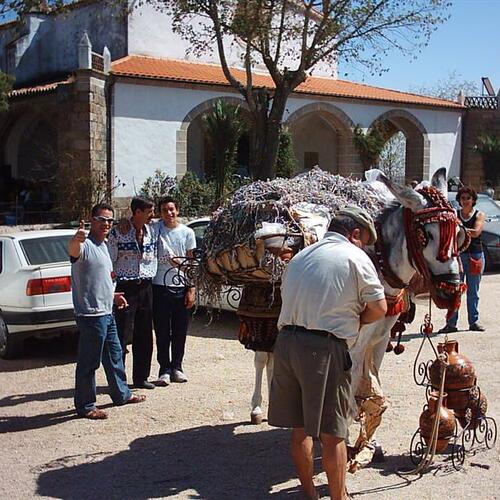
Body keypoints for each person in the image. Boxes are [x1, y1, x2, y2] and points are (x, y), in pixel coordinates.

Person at [268, 206, 387, 500]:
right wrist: (357, 321)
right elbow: (380, 309)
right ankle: (338, 498)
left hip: (286, 343)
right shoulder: (355, 256)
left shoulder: (301, 257)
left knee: (300, 429)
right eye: (362, 239)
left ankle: (309, 494)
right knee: (334, 434)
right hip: (323, 349)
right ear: (354, 233)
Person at [69, 203, 146, 419]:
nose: (106, 224)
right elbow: (73, 252)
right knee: (89, 361)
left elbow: (100, 280)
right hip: (91, 314)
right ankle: (86, 406)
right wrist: (76, 239)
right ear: (92, 220)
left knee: (114, 355)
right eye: (102, 219)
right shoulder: (85, 245)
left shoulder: (103, 245)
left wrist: (113, 297)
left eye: (109, 220)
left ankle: (122, 394)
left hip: (107, 311)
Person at [107, 197, 158, 389]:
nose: (152, 215)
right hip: (125, 287)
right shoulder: (118, 233)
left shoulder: (152, 230)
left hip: (145, 286)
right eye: (148, 211)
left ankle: (141, 377)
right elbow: (109, 262)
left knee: (144, 333)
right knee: (121, 334)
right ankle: (118, 381)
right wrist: (113, 291)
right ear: (137, 212)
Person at [152, 197, 196, 385]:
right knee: (162, 331)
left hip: (181, 286)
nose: (168, 213)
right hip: (159, 286)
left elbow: (191, 262)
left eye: (171, 209)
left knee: (180, 331)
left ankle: (177, 367)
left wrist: (191, 289)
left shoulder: (187, 233)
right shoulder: (155, 230)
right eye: (164, 210)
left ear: (177, 210)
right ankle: (164, 369)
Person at [439, 186, 486, 333]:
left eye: (468, 198)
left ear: (473, 200)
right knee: (454, 291)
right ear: (459, 200)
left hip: (474, 256)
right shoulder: (455, 214)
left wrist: (458, 229)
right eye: (462, 198)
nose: (465, 201)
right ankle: (451, 324)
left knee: (473, 291)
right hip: (457, 256)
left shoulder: (479, 215)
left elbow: (476, 233)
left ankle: (474, 321)